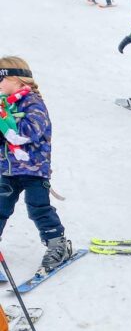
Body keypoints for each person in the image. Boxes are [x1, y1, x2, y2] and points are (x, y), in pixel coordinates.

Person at [0, 57, 73, 273]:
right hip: (7, 169)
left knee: (38, 207)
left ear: (17, 79)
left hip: (34, 170)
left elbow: (28, 132)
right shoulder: (5, 105)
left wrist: (6, 126)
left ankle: (58, 244)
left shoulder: (33, 103)